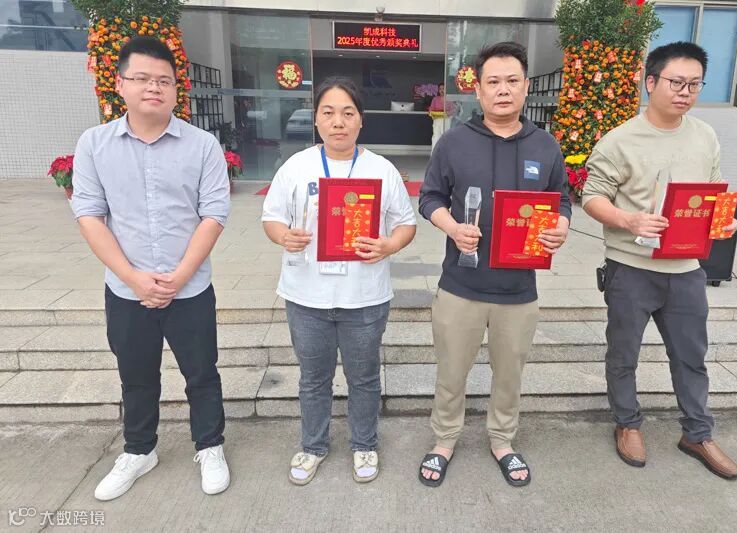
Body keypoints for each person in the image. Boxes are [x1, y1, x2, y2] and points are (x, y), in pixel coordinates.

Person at [71, 36, 232, 500]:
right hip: (127, 290)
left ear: (176, 88)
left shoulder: (202, 145)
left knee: (202, 373)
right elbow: (89, 215)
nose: (153, 88)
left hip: (190, 288)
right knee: (136, 375)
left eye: (164, 80)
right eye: (142, 78)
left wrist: (179, 277)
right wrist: (133, 277)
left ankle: (210, 445)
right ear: (120, 83)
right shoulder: (94, 144)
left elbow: (213, 214)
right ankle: (139, 450)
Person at [581, 41, 737, 480]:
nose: (685, 92)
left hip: (687, 270)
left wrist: (721, 221)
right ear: (650, 82)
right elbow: (592, 196)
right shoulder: (619, 140)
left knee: (691, 356)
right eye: (676, 82)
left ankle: (698, 433)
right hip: (631, 267)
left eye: (694, 84)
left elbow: (714, 190)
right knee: (624, 354)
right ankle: (627, 423)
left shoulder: (705, 135)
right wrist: (628, 218)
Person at [417, 42, 571, 488]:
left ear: (526, 87)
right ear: (479, 90)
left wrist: (560, 225)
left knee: (509, 375)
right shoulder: (454, 143)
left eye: (512, 81)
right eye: (494, 82)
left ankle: (502, 440)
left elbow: (560, 198)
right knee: (451, 373)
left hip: (518, 290)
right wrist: (452, 228)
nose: (503, 90)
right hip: (460, 286)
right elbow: (430, 197)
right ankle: (444, 440)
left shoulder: (545, 145)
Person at [262, 76, 417, 485]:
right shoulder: (296, 167)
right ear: (316, 119)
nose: (338, 122)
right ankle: (313, 446)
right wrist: (283, 236)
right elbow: (271, 217)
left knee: (363, 378)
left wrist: (389, 245)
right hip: (306, 296)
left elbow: (406, 223)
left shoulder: (382, 170)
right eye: (328, 112)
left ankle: (364, 444)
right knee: (313, 379)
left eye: (348, 113)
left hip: (363, 297)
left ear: (361, 120)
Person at [428, 83, 457, 151]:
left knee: (446, 138)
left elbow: (454, 109)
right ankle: (434, 154)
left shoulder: (449, 99)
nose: (441, 90)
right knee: (436, 137)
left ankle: (445, 154)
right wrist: (432, 113)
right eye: (440, 89)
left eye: (443, 89)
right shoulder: (435, 99)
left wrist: (447, 113)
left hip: (446, 120)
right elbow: (431, 109)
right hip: (437, 120)